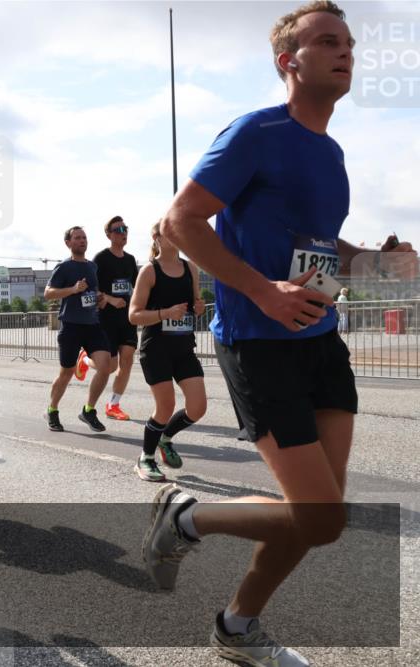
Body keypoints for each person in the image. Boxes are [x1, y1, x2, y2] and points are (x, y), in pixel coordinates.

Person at [142, 3, 418, 665]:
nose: (345, 51)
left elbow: (317, 245)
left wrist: (377, 262)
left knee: (315, 514)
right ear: (288, 61)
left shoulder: (331, 151)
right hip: (259, 342)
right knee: (321, 517)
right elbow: (181, 220)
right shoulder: (255, 132)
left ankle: (237, 626)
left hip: (320, 338)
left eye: (348, 42)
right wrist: (263, 291)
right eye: (327, 41)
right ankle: (186, 516)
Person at [128, 223, 207, 482]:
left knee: (198, 407)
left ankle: (166, 437)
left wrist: (198, 308)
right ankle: (145, 458)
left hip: (184, 348)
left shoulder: (190, 268)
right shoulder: (150, 271)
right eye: (169, 231)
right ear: (157, 238)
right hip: (156, 349)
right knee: (165, 406)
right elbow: (134, 315)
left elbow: (196, 305)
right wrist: (165, 313)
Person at [44, 226, 112, 433]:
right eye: (77, 238)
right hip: (71, 326)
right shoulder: (64, 267)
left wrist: (100, 298)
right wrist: (73, 289)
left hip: (92, 325)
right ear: (68, 243)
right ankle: (52, 409)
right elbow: (48, 293)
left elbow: (93, 292)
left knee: (106, 366)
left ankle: (89, 410)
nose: (82, 241)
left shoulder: (92, 266)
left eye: (84, 237)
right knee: (66, 373)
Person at [92, 215, 140, 420]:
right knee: (110, 367)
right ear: (109, 235)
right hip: (106, 319)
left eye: (125, 228)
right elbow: (91, 289)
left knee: (127, 360)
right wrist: (110, 299)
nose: (123, 233)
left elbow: (138, 287)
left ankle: (113, 404)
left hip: (127, 319)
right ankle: (85, 360)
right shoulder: (101, 259)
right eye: (119, 230)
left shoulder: (130, 260)